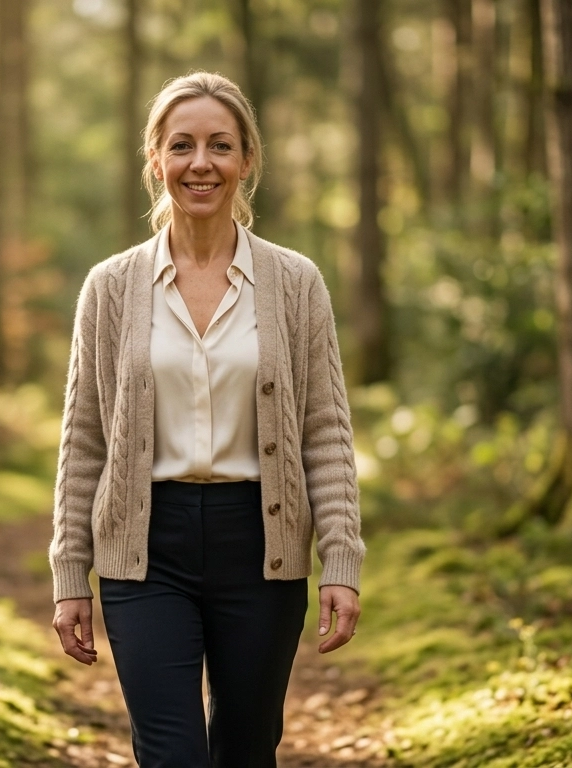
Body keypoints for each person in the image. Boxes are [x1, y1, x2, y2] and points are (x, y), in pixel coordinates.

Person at [48, 70, 365, 767]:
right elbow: (85, 441)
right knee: (173, 753)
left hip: (260, 543)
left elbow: (326, 432)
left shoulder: (296, 283)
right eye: (182, 145)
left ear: (247, 160)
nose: (201, 163)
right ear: (154, 160)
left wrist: (340, 557)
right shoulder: (109, 287)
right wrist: (71, 573)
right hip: (143, 547)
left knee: (247, 751)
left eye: (220, 146)